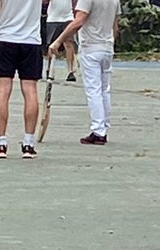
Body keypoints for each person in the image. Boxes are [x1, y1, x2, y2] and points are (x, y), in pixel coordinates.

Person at [49, 0, 121, 145]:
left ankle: (98, 130)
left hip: (91, 47)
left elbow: (78, 21)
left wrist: (58, 40)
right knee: (104, 90)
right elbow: (115, 26)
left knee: (93, 90)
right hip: (107, 47)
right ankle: (104, 126)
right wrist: (109, 41)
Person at [0, 0, 42, 159]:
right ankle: (28, 143)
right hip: (31, 40)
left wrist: (3, 10)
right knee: (30, 90)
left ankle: (1, 143)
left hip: (5, 38)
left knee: (3, 90)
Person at [46, 0, 78, 81]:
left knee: (69, 43)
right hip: (53, 18)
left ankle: (70, 71)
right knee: (52, 44)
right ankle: (50, 69)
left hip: (68, 17)